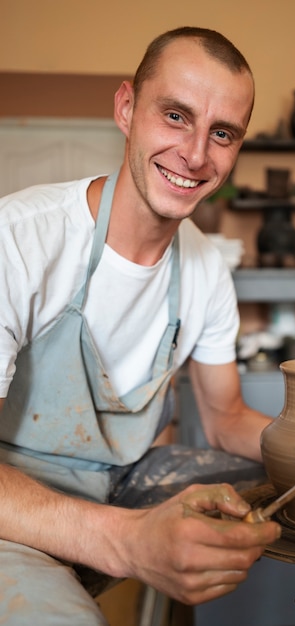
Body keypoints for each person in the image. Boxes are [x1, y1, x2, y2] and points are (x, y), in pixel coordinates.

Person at [0, 26, 280, 624]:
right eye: (176, 116)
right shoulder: (20, 239)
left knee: (290, 491)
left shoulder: (205, 268)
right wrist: (129, 540)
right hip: (14, 499)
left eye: (222, 133)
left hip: (125, 477)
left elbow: (226, 418)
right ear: (127, 108)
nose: (197, 155)